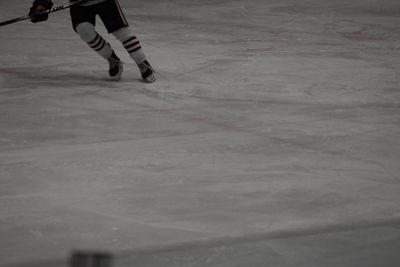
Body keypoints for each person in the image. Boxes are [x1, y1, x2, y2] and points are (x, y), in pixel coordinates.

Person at [28, 0, 156, 82]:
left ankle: (142, 62)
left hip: (105, 1)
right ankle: (112, 58)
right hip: (79, 4)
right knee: (84, 31)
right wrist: (41, 6)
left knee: (121, 32)